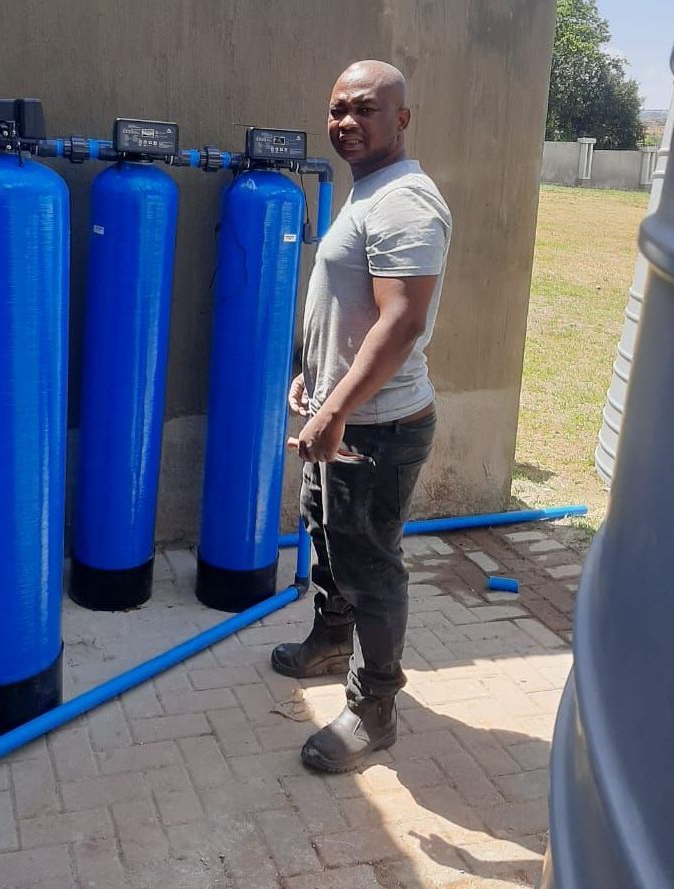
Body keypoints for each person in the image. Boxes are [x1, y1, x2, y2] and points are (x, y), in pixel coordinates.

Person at [273, 60, 452, 772]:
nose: (346, 121)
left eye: (365, 109)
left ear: (401, 119)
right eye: (337, 109)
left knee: (371, 566)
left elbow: (402, 321)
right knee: (327, 538)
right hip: (342, 413)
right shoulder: (367, 191)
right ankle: (329, 641)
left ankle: (374, 709)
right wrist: (311, 380)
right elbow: (351, 310)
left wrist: (337, 408)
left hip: (376, 428)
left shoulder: (406, 200)